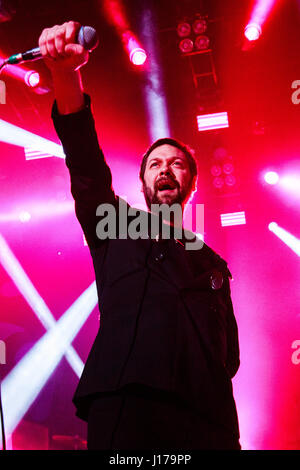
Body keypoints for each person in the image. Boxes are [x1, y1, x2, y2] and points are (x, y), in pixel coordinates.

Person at [39, 21, 241, 450]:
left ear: (192, 184)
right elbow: (87, 167)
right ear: (145, 184)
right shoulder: (116, 226)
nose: (166, 168)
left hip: (208, 421)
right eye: (155, 164)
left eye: (177, 163)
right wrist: (65, 75)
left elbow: (231, 358)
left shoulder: (214, 266)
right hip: (129, 405)